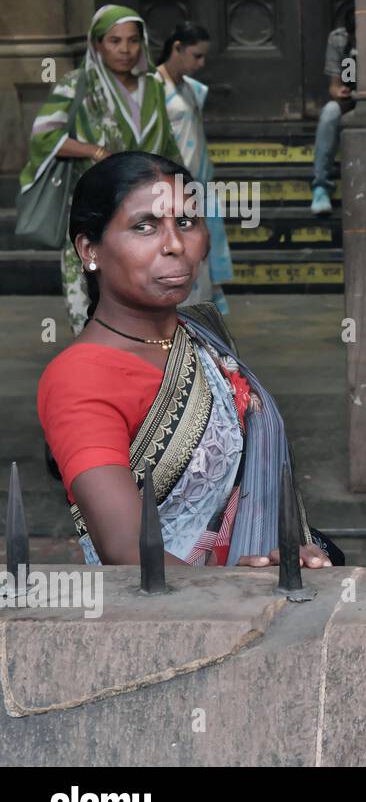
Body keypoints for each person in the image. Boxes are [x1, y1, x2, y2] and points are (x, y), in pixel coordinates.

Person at [37, 152, 334, 568]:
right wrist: (231, 590)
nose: (175, 245)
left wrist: (287, 556)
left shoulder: (201, 330)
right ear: (90, 249)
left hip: (255, 587)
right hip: (170, 618)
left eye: (186, 223)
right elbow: (127, 550)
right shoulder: (80, 377)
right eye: (145, 226)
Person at [19, 4, 182, 334]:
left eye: (133, 41)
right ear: (97, 45)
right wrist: (93, 150)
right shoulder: (77, 84)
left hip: (147, 211)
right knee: (90, 290)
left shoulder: (152, 86)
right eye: (114, 41)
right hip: (95, 208)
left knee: (144, 290)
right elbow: (44, 135)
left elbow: (167, 145)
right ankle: (93, 358)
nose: (125, 50)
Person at [157, 21, 233, 314]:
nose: (200, 63)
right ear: (177, 48)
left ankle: (200, 319)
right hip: (170, 184)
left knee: (201, 253)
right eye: (196, 55)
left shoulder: (191, 89)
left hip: (198, 181)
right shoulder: (154, 86)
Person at [310, 13, 357, 216]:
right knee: (329, 112)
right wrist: (342, 91)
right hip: (354, 98)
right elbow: (337, 85)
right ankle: (321, 187)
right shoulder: (341, 41)